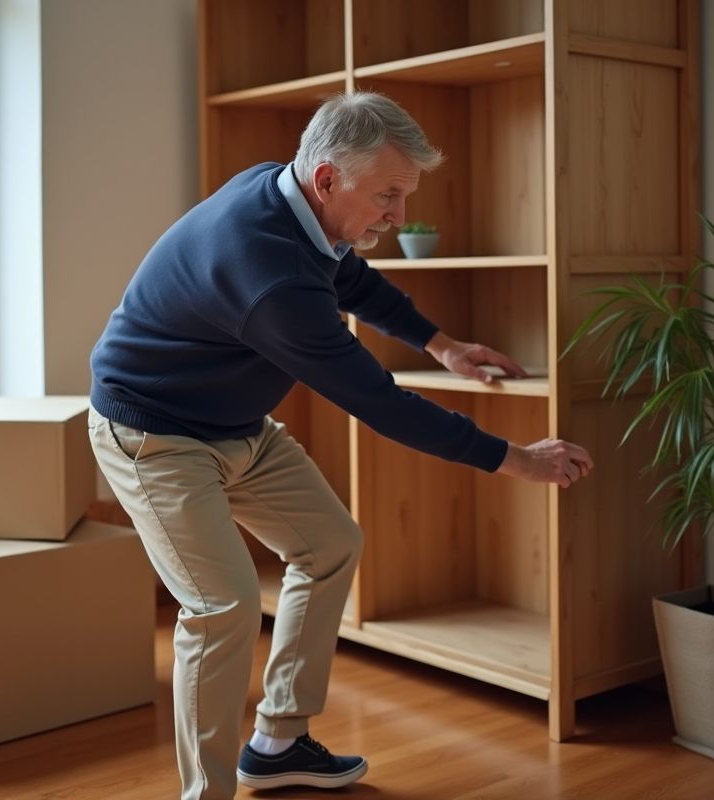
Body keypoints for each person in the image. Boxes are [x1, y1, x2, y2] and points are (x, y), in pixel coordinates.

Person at [88, 91, 593, 800]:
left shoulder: (286, 192)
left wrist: (442, 345)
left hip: (236, 426)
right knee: (223, 605)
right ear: (327, 178)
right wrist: (516, 458)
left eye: (403, 196)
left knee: (330, 543)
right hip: (155, 436)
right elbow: (378, 401)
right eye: (387, 196)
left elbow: (349, 275)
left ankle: (278, 743)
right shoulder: (273, 278)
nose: (397, 215)